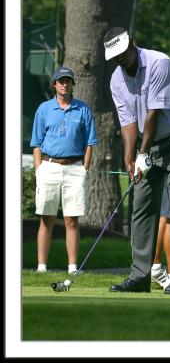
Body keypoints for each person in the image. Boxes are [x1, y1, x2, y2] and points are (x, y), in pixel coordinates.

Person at [103, 27, 170, 294]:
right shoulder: (116, 81)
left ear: (133, 43)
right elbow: (128, 123)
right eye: (115, 57)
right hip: (149, 143)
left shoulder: (160, 63)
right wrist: (130, 157)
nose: (120, 59)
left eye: (123, 53)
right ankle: (139, 276)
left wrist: (143, 154)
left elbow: (153, 115)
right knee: (141, 206)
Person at [30, 67, 99, 274]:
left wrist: (85, 168)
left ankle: (72, 267)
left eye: (68, 81)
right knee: (46, 217)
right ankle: (42, 267)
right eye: (60, 81)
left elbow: (90, 142)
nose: (64, 84)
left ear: (72, 84)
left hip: (75, 167)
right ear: (54, 85)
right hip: (48, 166)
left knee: (72, 219)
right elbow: (36, 143)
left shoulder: (83, 109)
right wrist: (38, 170)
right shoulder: (44, 109)